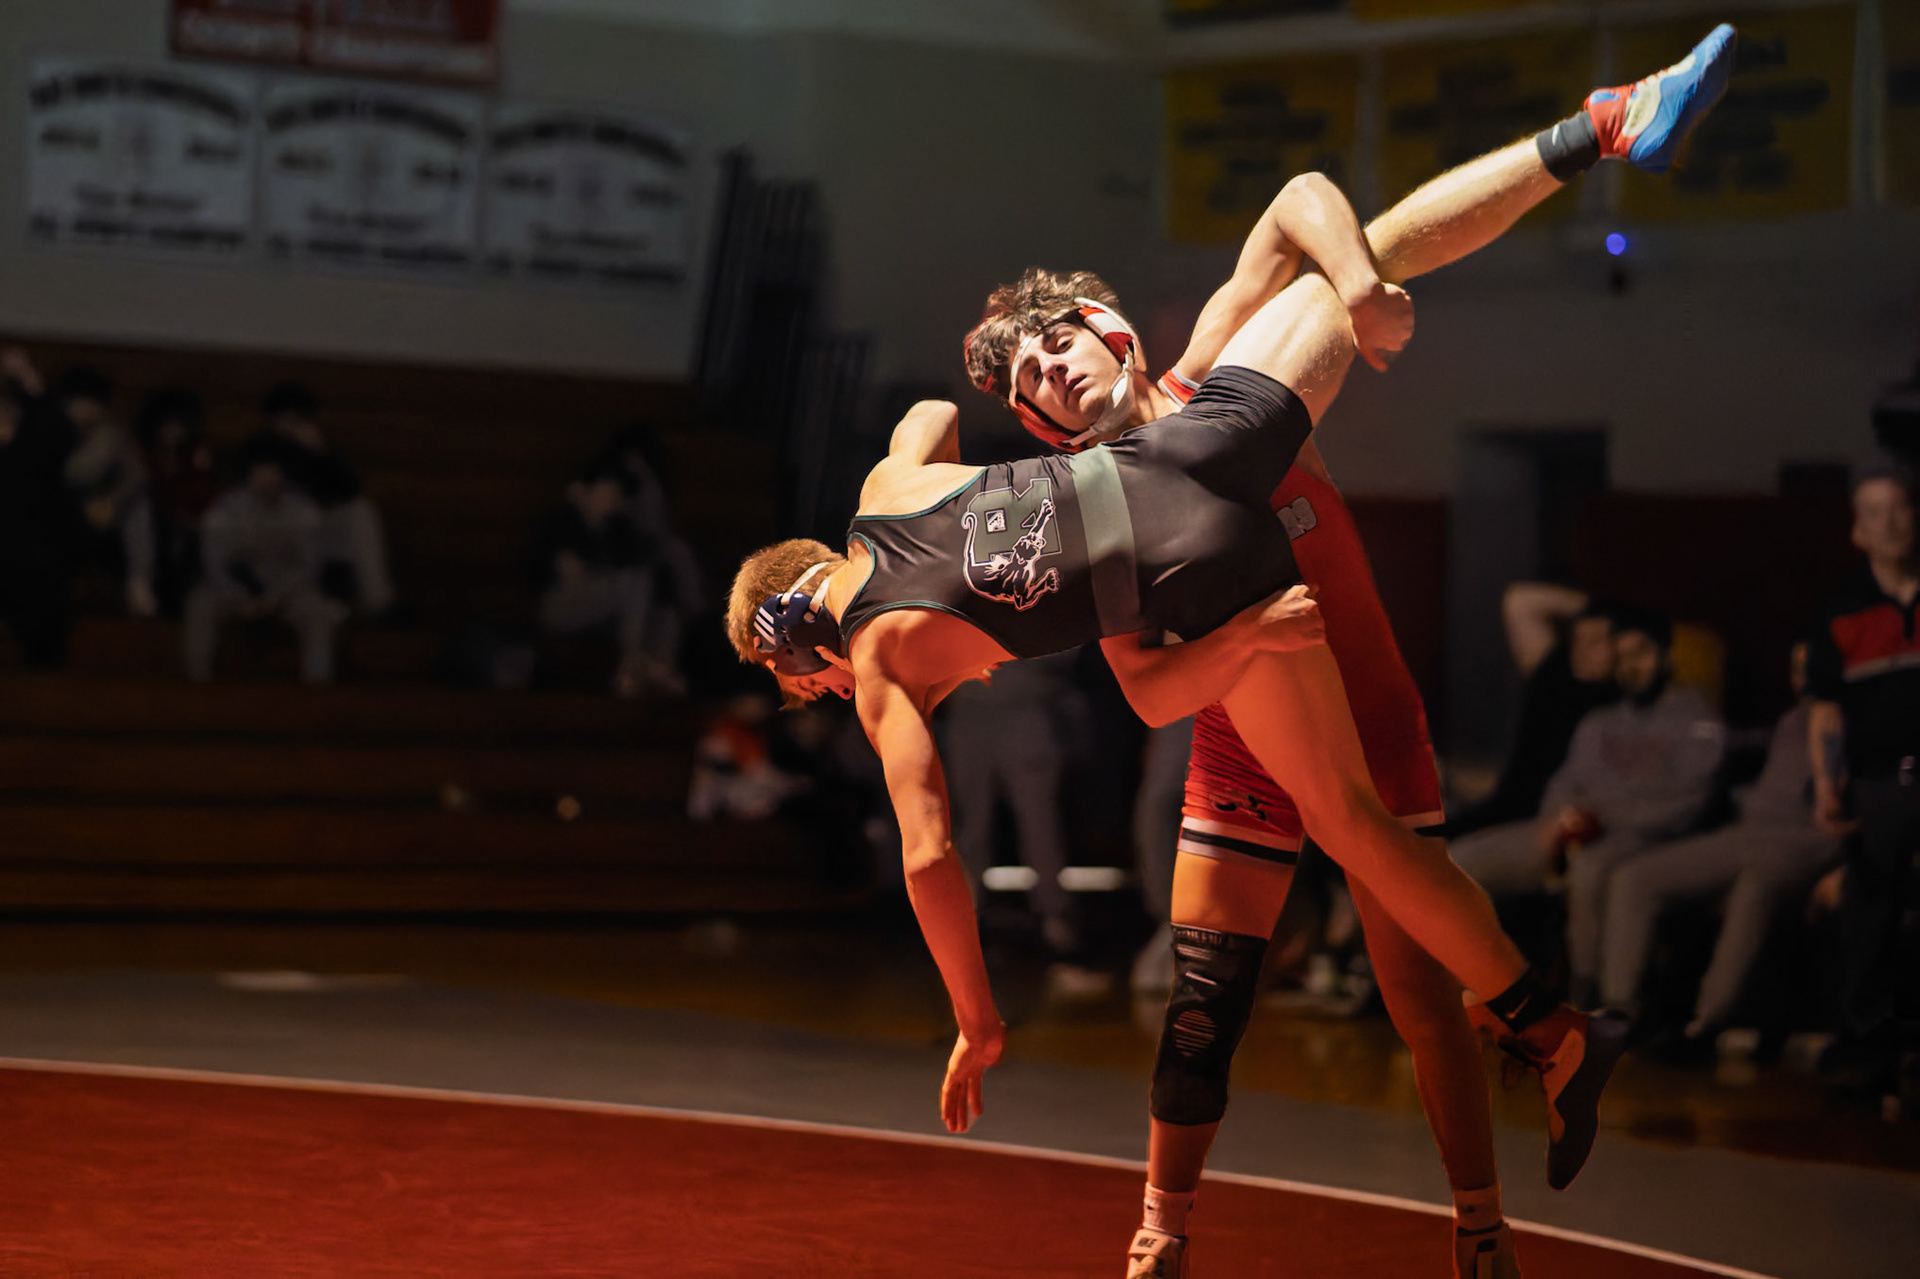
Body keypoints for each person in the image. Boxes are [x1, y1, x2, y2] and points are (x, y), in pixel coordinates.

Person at [957, 25, 1735, 1279]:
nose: (1052, 373)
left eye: (1059, 345)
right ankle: (1160, 1233)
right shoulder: (1097, 510)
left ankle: (1480, 1226)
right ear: (1042, 425)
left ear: (1110, 331)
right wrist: (1244, 636)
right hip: (1243, 736)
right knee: (1202, 1004)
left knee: (1420, 996)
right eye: (1033, 382)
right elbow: (1145, 688)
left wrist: (1363, 287)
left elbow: (1304, 200)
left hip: (1365, 710)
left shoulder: (1225, 369)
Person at [1451, 607, 1725, 1006]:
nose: (1630, 667)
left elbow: (1686, 805)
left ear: (1666, 655)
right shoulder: (1600, 721)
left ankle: (1590, 1000)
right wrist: (1563, 819)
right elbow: (1563, 782)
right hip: (1564, 830)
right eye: (1622, 657)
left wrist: (1599, 821)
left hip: (1633, 839)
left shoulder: (1696, 722)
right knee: (1462, 861)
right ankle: (1478, 991)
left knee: (1592, 871)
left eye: (1640, 654)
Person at [1597, 642, 1844, 1064]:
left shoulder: (1865, 720)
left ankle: (1706, 1023)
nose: (1804, 679)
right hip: (1749, 830)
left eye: (1813, 668)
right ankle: (1620, 1012)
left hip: (1807, 839)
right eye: (1797, 669)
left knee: (1757, 887)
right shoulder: (1790, 721)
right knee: (1634, 876)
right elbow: (1734, 747)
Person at [1807, 452, 1920, 1107]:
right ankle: (1866, 1049)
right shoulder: (1841, 609)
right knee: (1869, 912)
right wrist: (1828, 785)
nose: (1891, 523)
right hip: (1878, 784)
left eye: (1900, 509)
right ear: (1859, 529)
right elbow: (1827, 709)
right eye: (1876, 513)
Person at [1445, 585, 1623, 838]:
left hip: (1539, 822)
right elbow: (1520, 601)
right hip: (1499, 808)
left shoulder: (1619, 707)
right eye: (1579, 640)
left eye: (1595, 642)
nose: (1583, 651)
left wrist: (1624, 617)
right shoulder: (1555, 672)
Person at [237, 382, 396, 617]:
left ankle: (377, 602)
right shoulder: (258, 449)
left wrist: (320, 454)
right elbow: (241, 497)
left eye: (297, 420)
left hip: (317, 534)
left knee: (360, 512)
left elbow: (348, 490)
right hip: (274, 533)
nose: (290, 428)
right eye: (284, 420)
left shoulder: (314, 450)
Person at [184, 458, 345, 684]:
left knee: (319, 613)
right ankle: (196, 683)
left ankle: (317, 687)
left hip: (289, 593)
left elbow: (310, 567)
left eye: (272, 475)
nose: (266, 482)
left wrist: (277, 596)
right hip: (234, 592)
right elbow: (214, 564)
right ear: (249, 477)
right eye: (261, 474)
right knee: (200, 603)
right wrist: (240, 596)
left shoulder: (303, 512)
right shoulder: (225, 510)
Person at [0, 346, 77, 667]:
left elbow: (63, 437)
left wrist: (30, 380)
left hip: (31, 543)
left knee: (44, 583)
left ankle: (43, 670)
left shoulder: (36, 427)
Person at [124, 389, 218, 619]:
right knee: (140, 511)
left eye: (179, 424)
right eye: (167, 424)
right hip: (153, 531)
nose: (173, 431)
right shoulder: (143, 457)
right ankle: (140, 583)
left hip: (189, 532)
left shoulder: (196, 459)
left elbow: (204, 504)